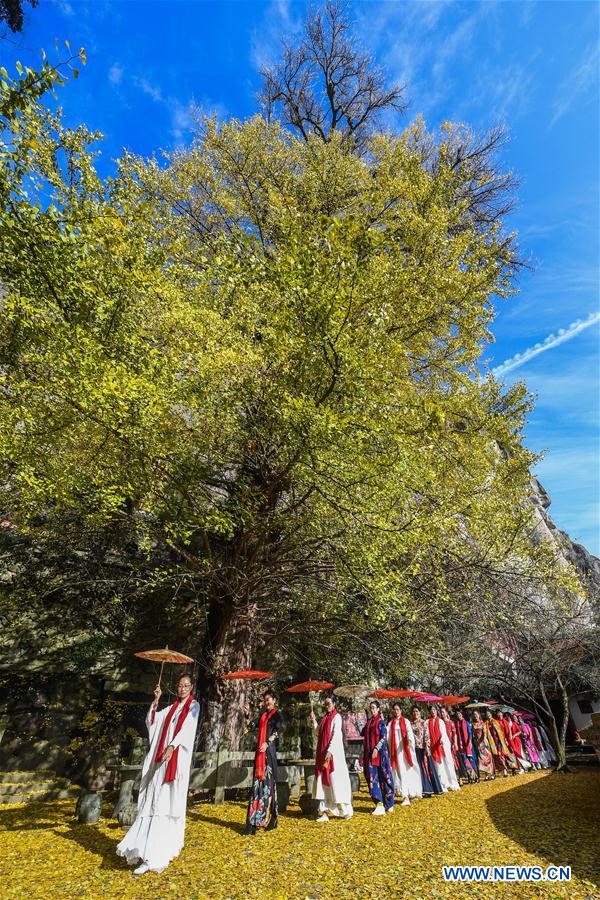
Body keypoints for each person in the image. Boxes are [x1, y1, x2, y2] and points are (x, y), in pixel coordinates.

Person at [117, 673, 200, 875]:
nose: (182, 689)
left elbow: (187, 729)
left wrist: (172, 746)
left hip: (176, 764)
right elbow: (153, 722)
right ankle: (147, 851)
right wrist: (156, 700)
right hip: (162, 762)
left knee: (166, 804)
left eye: (186, 686)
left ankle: (157, 854)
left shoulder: (193, 706)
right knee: (154, 802)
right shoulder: (172, 708)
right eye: (180, 685)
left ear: (191, 687)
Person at [243, 689, 282, 835]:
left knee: (269, 787)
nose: (266, 702)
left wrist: (267, 742)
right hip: (260, 754)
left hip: (269, 754)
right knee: (256, 786)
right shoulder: (262, 715)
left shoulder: (277, 715)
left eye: (269, 699)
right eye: (265, 700)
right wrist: (247, 714)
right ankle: (252, 822)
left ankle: (273, 819)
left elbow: (276, 732)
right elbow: (250, 726)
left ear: (274, 700)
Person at [309, 695, 353, 822]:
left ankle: (345, 810)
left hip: (334, 756)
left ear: (334, 704)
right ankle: (324, 812)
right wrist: (314, 721)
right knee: (322, 783)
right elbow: (318, 732)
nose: (327, 706)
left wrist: (330, 750)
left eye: (329, 703)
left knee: (336, 782)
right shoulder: (324, 718)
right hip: (322, 754)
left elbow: (336, 734)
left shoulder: (336, 717)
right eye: (326, 704)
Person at [362, 700, 395, 815]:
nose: (372, 710)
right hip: (370, 755)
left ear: (378, 709)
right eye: (370, 708)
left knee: (385, 777)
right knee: (373, 778)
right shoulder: (369, 722)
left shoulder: (381, 722)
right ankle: (379, 803)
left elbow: (384, 737)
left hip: (380, 755)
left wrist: (377, 748)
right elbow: (362, 733)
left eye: (374, 707)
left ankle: (389, 802)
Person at [388, 702, 422, 805]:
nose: (396, 711)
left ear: (401, 710)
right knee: (401, 772)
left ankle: (411, 793)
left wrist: (409, 741)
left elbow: (409, 733)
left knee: (409, 771)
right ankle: (405, 796)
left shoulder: (406, 721)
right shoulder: (391, 723)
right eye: (394, 709)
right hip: (396, 752)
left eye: (397, 709)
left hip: (405, 750)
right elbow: (387, 734)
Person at [425, 705, 460, 792]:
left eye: (434, 710)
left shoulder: (440, 721)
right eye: (431, 710)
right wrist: (428, 741)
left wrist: (442, 739)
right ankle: (443, 784)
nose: (433, 711)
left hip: (443, 746)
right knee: (439, 767)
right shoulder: (427, 722)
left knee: (448, 763)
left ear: (436, 711)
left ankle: (452, 783)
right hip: (434, 747)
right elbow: (427, 734)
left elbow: (443, 733)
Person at [411, 706, 443, 796]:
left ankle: (435, 788)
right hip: (415, 748)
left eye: (417, 711)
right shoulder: (410, 723)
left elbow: (427, 735)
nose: (415, 713)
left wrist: (427, 746)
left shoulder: (424, 722)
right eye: (414, 711)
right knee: (420, 769)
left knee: (428, 768)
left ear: (420, 712)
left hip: (424, 748)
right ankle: (425, 789)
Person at [484, 709, 515, 777]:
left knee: (503, 754)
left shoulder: (495, 722)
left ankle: (511, 768)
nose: (488, 715)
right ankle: (504, 770)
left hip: (499, 740)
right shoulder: (486, 724)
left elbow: (500, 731)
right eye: (487, 714)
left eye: (489, 714)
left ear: (491, 715)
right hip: (492, 742)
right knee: (498, 756)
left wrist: (504, 739)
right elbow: (485, 733)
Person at [455, 709, 478, 783]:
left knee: (471, 760)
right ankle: (470, 777)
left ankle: (476, 777)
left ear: (462, 714)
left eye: (459, 713)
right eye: (457, 714)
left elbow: (469, 733)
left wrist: (470, 741)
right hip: (461, 745)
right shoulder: (456, 723)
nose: (458, 715)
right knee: (465, 761)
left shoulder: (466, 722)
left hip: (468, 743)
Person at [471, 710, 495, 780]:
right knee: (482, 759)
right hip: (477, 742)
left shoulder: (482, 723)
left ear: (479, 715)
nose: (475, 716)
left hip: (483, 741)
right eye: (474, 715)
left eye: (476, 714)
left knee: (488, 757)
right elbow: (472, 733)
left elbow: (484, 732)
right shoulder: (473, 724)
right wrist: (475, 740)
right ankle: (486, 774)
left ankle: (491, 773)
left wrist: (483, 739)